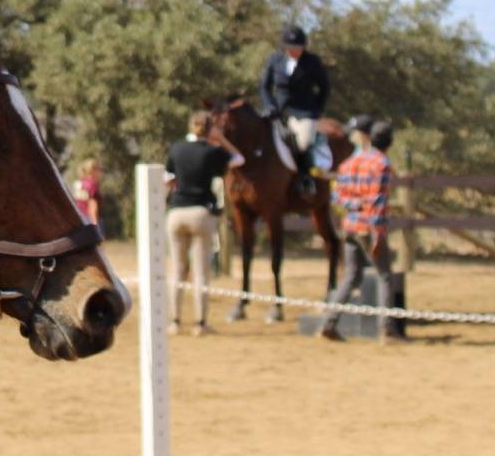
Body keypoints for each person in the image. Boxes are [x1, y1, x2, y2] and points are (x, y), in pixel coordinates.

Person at [318, 116, 398, 343]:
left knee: (351, 276)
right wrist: (377, 234)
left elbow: (337, 197)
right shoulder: (382, 165)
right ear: (390, 143)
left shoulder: (349, 163)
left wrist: (354, 206)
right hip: (368, 227)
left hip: (350, 226)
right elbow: (377, 202)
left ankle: (329, 323)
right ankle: (387, 329)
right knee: (384, 276)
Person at [165, 112, 243, 336]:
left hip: (176, 212)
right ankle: (201, 323)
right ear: (210, 129)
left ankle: (175, 321)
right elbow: (239, 159)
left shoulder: (176, 148)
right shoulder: (212, 151)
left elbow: (167, 177)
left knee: (177, 270)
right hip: (200, 212)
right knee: (201, 272)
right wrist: (221, 139)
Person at [258, 24, 332, 199]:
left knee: (303, 142)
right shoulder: (275, 60)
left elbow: (324, 87)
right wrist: (270, 105)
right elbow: (264, 87)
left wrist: (317, 109)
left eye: (298, 47)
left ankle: (306, 178)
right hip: (278, 110)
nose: (295, 51)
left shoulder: (312, 61)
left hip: (304, 112)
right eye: (291, 47)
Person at [71, 159, 104, 231]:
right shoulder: (92, 184)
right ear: (92, 170)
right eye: (99, 169)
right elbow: (92, 205)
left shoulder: (79, 183)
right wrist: (95, 226)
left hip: (79, 220)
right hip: (91, 220)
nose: (101, 172)